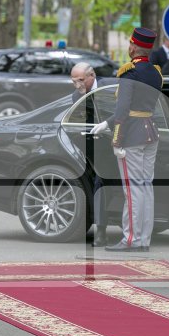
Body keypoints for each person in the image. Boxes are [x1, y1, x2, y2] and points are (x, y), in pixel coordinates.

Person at [90, 27, 163, 252]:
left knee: (132, 190)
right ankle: (143, 240)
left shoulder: (128, 72)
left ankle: (130, 238)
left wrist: (115, 138)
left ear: (133, 46)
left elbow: (123, 111)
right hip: (150, 132)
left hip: (131, 135)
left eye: (130, 44)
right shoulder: (156, 72)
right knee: (145, 187)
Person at [71, 62, 108, 247]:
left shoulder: (108, 87)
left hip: (117, 143)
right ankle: (101, 231)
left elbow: (120, 112)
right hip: (93, 148)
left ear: (91, 76)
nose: (77, 85)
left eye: (80, 81)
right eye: (73, 81)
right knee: (98, 182)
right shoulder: (75, 96)